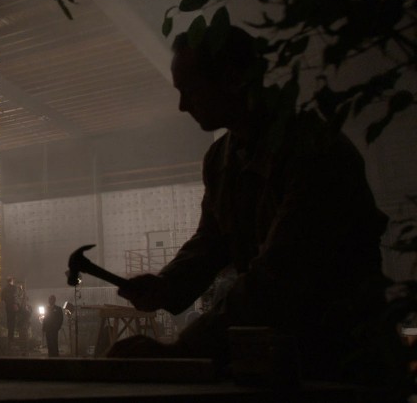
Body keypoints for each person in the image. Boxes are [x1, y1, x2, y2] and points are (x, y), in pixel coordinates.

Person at [110, 25, 405, 388]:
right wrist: (167, 285)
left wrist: (184, 348)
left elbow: (280, 276)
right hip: (283, 360)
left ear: (233, 79)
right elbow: (211, 241)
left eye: (191, 90)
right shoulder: (221, 159)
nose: (183, 105)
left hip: (347, 360)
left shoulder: (314, 150)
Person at [0, 276, 18, 346]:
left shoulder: (4, 289)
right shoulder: (14, 288)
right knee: (13, 322)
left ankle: (10, 339)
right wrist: (15, 304)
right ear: (12, 280)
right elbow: (15, 296)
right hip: (13, 306)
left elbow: (2, 298)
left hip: (7, 307)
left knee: (9, 322)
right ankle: (12, 339)